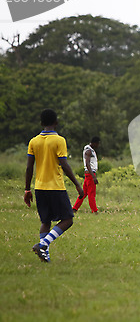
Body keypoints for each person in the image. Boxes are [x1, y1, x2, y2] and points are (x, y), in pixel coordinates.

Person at [25, 109, 84, 262]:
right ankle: (43, 244)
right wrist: (77, 184)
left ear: (41, 123)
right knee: (68, 220)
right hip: (56, 187)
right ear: (56, 122)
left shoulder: (34, 141)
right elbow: (64, 164)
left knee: (45, 221)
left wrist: (27, 189)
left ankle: (46, 256)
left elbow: (29, 167)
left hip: (39, 187)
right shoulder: (59, 140)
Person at [73, 137, 101, 214]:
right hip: (90, 174)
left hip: (88, 174)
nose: (98, 145)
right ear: (95, 143)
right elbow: (87, 164)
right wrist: (93, 176)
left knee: (84, 193)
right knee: (91, 193)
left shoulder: (89, 149)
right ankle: (95, 211)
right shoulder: (88, 151)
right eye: (98, 143)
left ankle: (74, 209)